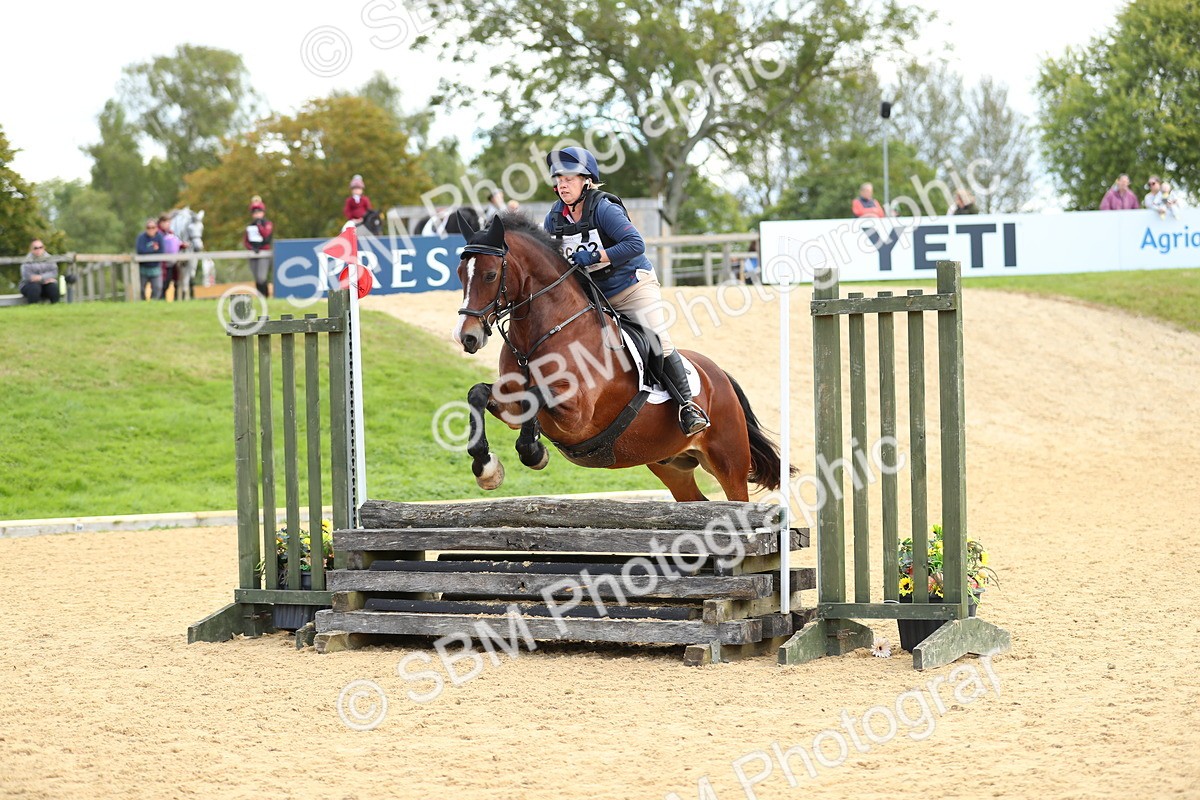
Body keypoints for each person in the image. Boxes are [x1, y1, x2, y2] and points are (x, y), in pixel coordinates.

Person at [543, 146, 709, 436]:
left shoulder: (603, 208)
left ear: (586, 180)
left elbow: (636, 244)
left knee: (656, 335)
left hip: (631, 285)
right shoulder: (554, 218)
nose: (562, 184)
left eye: (569, 178)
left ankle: (688, 405)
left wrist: (596, 256)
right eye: (558, 178)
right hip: (594, 295)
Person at [243, 197, 274, 297]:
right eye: (254, 213)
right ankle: (260, 297)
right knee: (257, 278)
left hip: (263, 253)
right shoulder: (250, 226)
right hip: (253, 253)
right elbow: (246, 240)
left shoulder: (267, 223)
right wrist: (251, 248)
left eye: (259, 212)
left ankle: (266, 296)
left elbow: (266, 235)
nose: (257, 215)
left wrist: (259, 226)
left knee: (262, 277)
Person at [18, 239, 61, 304]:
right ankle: (33, 309)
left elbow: (54, 272)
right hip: (28, 285)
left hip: (46, 284)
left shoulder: (49, 258)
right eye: (35, 248)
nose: (38, 249)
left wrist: (41, 277)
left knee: (53, 287)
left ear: (44, 248)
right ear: (31, 249)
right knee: (34, 287)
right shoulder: (26, 260)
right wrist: (44, 278)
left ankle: (56, 308)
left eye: (40, 247)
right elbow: (27, 276)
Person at [136, 218, 164, 300]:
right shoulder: (141, 237)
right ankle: (142, 303)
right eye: (148, 227)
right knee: (141, 289)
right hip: (143, 268)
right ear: (146, 228)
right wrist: (153, 250)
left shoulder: (160, 237)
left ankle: (153, 302)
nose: (151, 229)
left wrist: (148, 251)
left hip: (155, 267)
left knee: (157, 288)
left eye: (153, 227)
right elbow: (140, 251)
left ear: (156, 228)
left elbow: (161, 251)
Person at [158, 213, 183, 301]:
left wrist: (181, 245)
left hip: (172, 263)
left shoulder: (171, 233)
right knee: (163, 284)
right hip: (162, 264)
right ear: (161, 222)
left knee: (171, 282)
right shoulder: (158, 234)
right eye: (165, 222)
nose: (167, 224)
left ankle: (174, 300)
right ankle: (161, 300)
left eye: (169, 222)